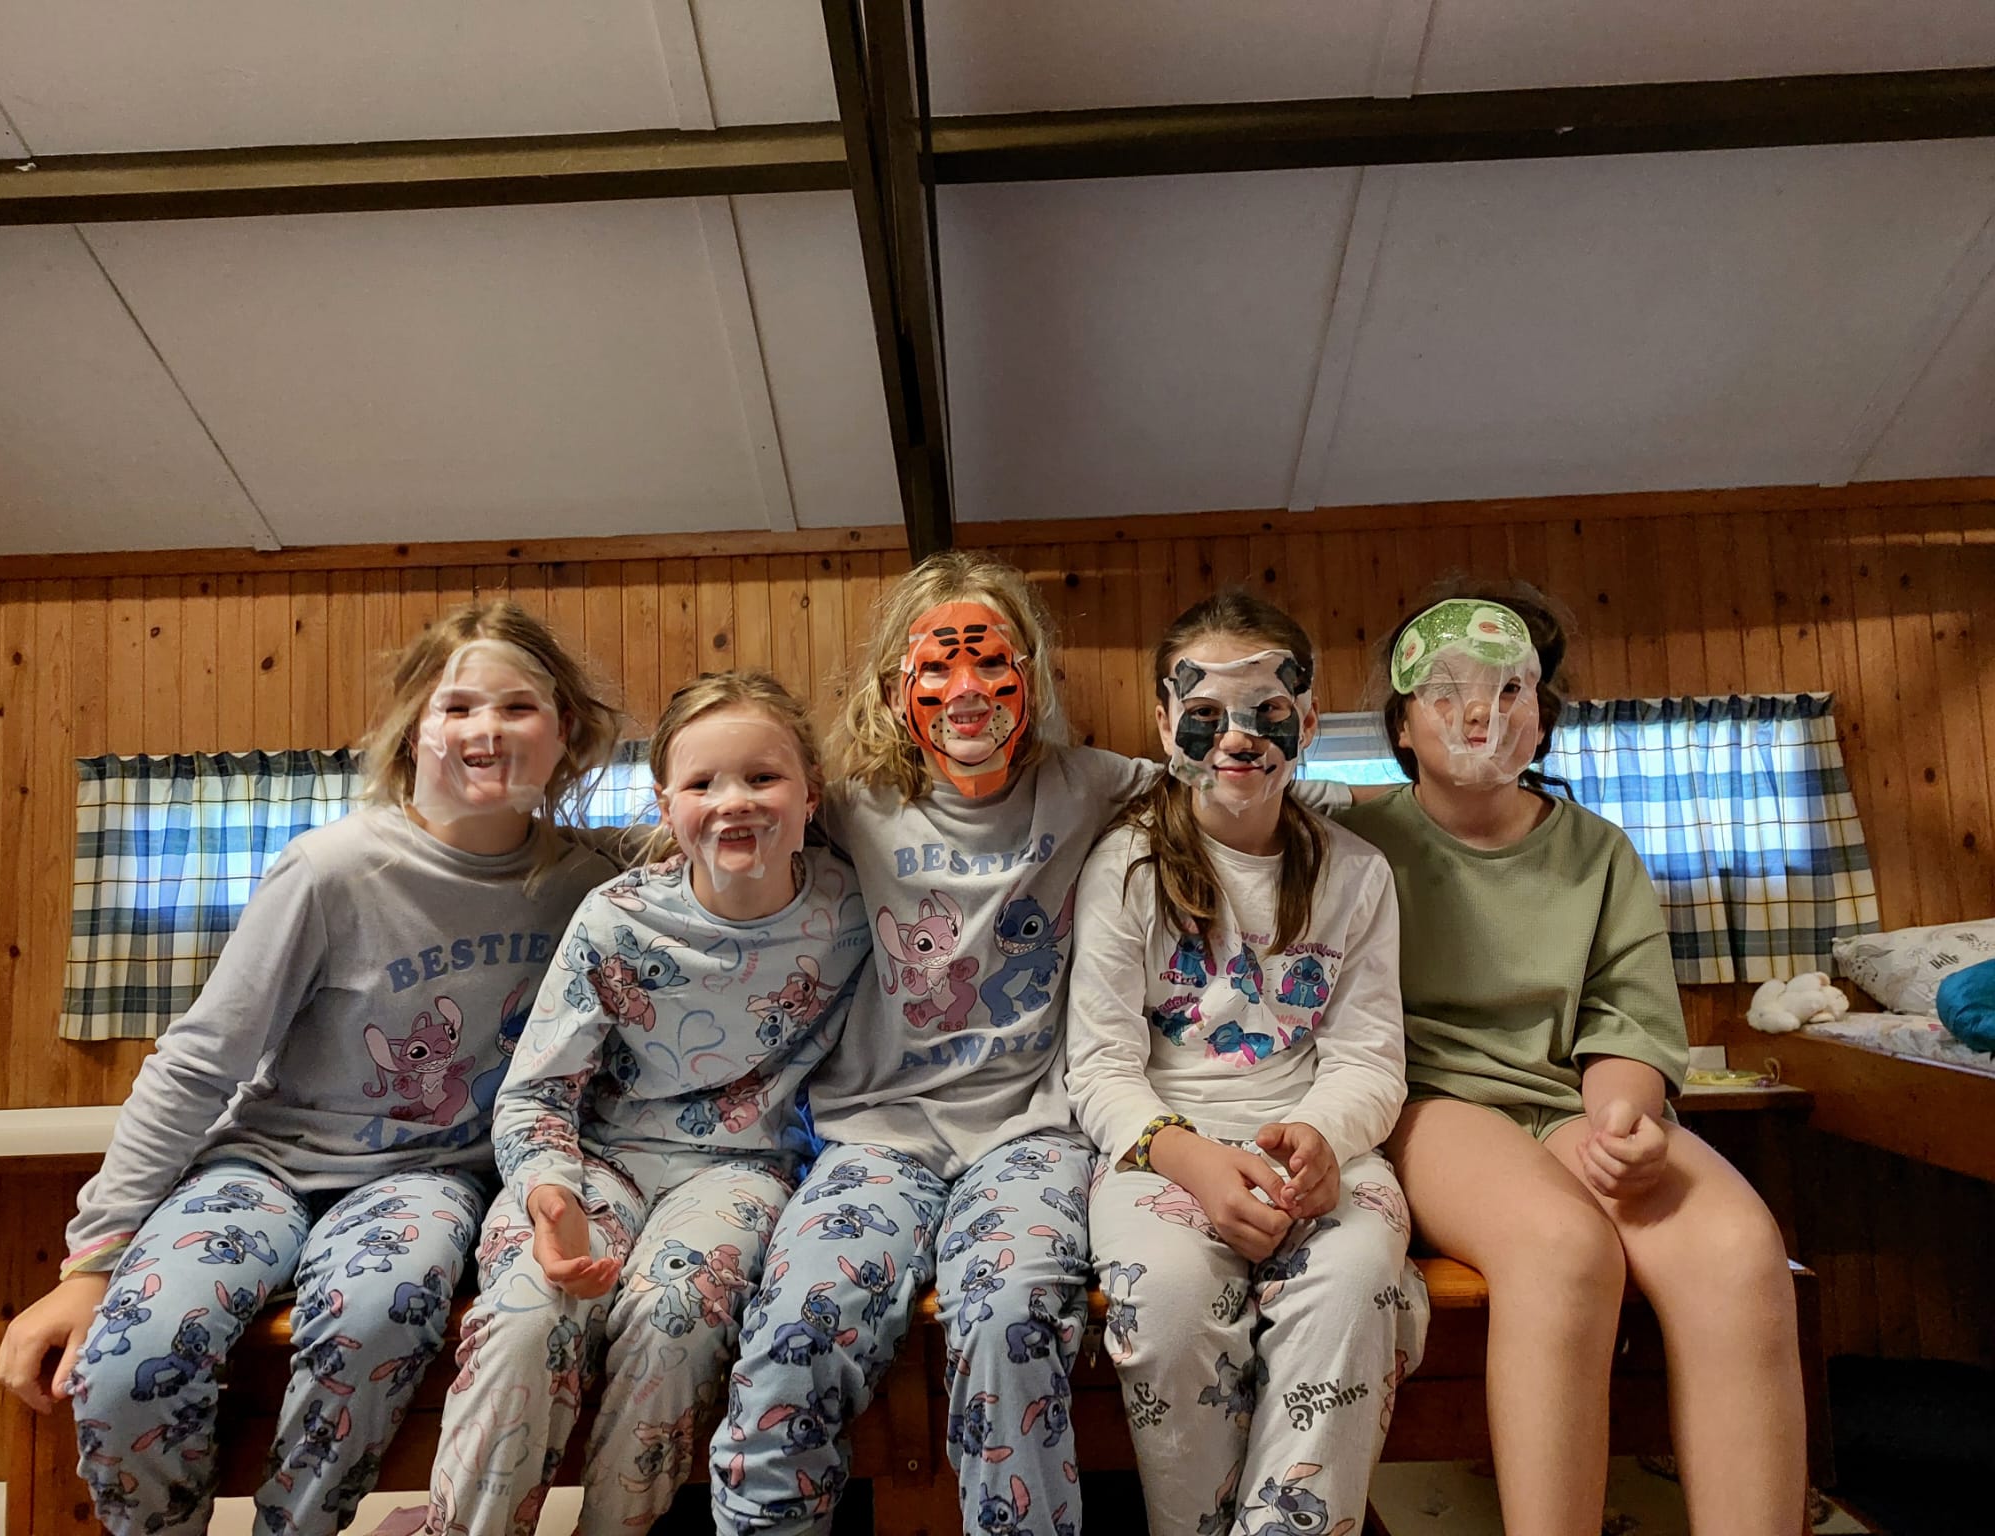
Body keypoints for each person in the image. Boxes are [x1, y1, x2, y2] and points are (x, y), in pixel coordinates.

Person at [712, 554, 1356, 1536]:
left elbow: (1233, 782)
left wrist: (1414, 806)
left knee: (1014, 1320)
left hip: (1034, 1136)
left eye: (990, 662)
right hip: (875, 1138)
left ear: (1031, 674)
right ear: (894, 688)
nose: (966, 689)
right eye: (936, 667)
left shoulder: (1086, 784)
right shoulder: (845, 806)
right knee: (795, 1328)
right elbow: (730, 832)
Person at [0, 599, 622, 1535]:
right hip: (262, 1165)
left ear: (564, 729)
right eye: (456, 707)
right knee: (132, 1360)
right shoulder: (331, 869)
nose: (486, 729)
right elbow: (199, 1063)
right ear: (412, 727)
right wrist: (93, 1260)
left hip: (426, 1178)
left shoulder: (589, 884)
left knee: (379, 1315)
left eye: (518, 707)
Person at [1336, 586, 1806, 1536]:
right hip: (1432, 1105)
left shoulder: (1600, 852)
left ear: (1542, 718)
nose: (1479, 712)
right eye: (1446, 692)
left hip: (1571, 1100)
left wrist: (1624, 1117)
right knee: (1562, 1246)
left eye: (1509, 690)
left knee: (1740, 1249)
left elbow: (1627, 1015)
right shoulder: (1356, 845)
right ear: (1402, 725)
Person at [420, 670, 869, 1536]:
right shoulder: (616, 919)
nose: (734, 802)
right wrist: (548, 1194)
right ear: (666, 806)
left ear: (811, 794)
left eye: (763, 777)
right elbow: (536, 1092)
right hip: (596, 1161)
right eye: (702, 784)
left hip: (741, 1170)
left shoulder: (852, 907)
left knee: (674, 1316)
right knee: (526, 1316)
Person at [1067, 588, 1426, 1536]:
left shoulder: (1357, 875)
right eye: (1204, 714)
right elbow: (1099, 1067)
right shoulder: (1126, 870)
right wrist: (1187, 1157)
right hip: (1162, 1149)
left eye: (1267, 711)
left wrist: (1319, 1137)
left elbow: (1370, 1059)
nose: (1237, 738)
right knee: (1169, 1300)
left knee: (1358, 1283)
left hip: (1317, 1146)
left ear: (1307, 717)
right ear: (1164, 724)